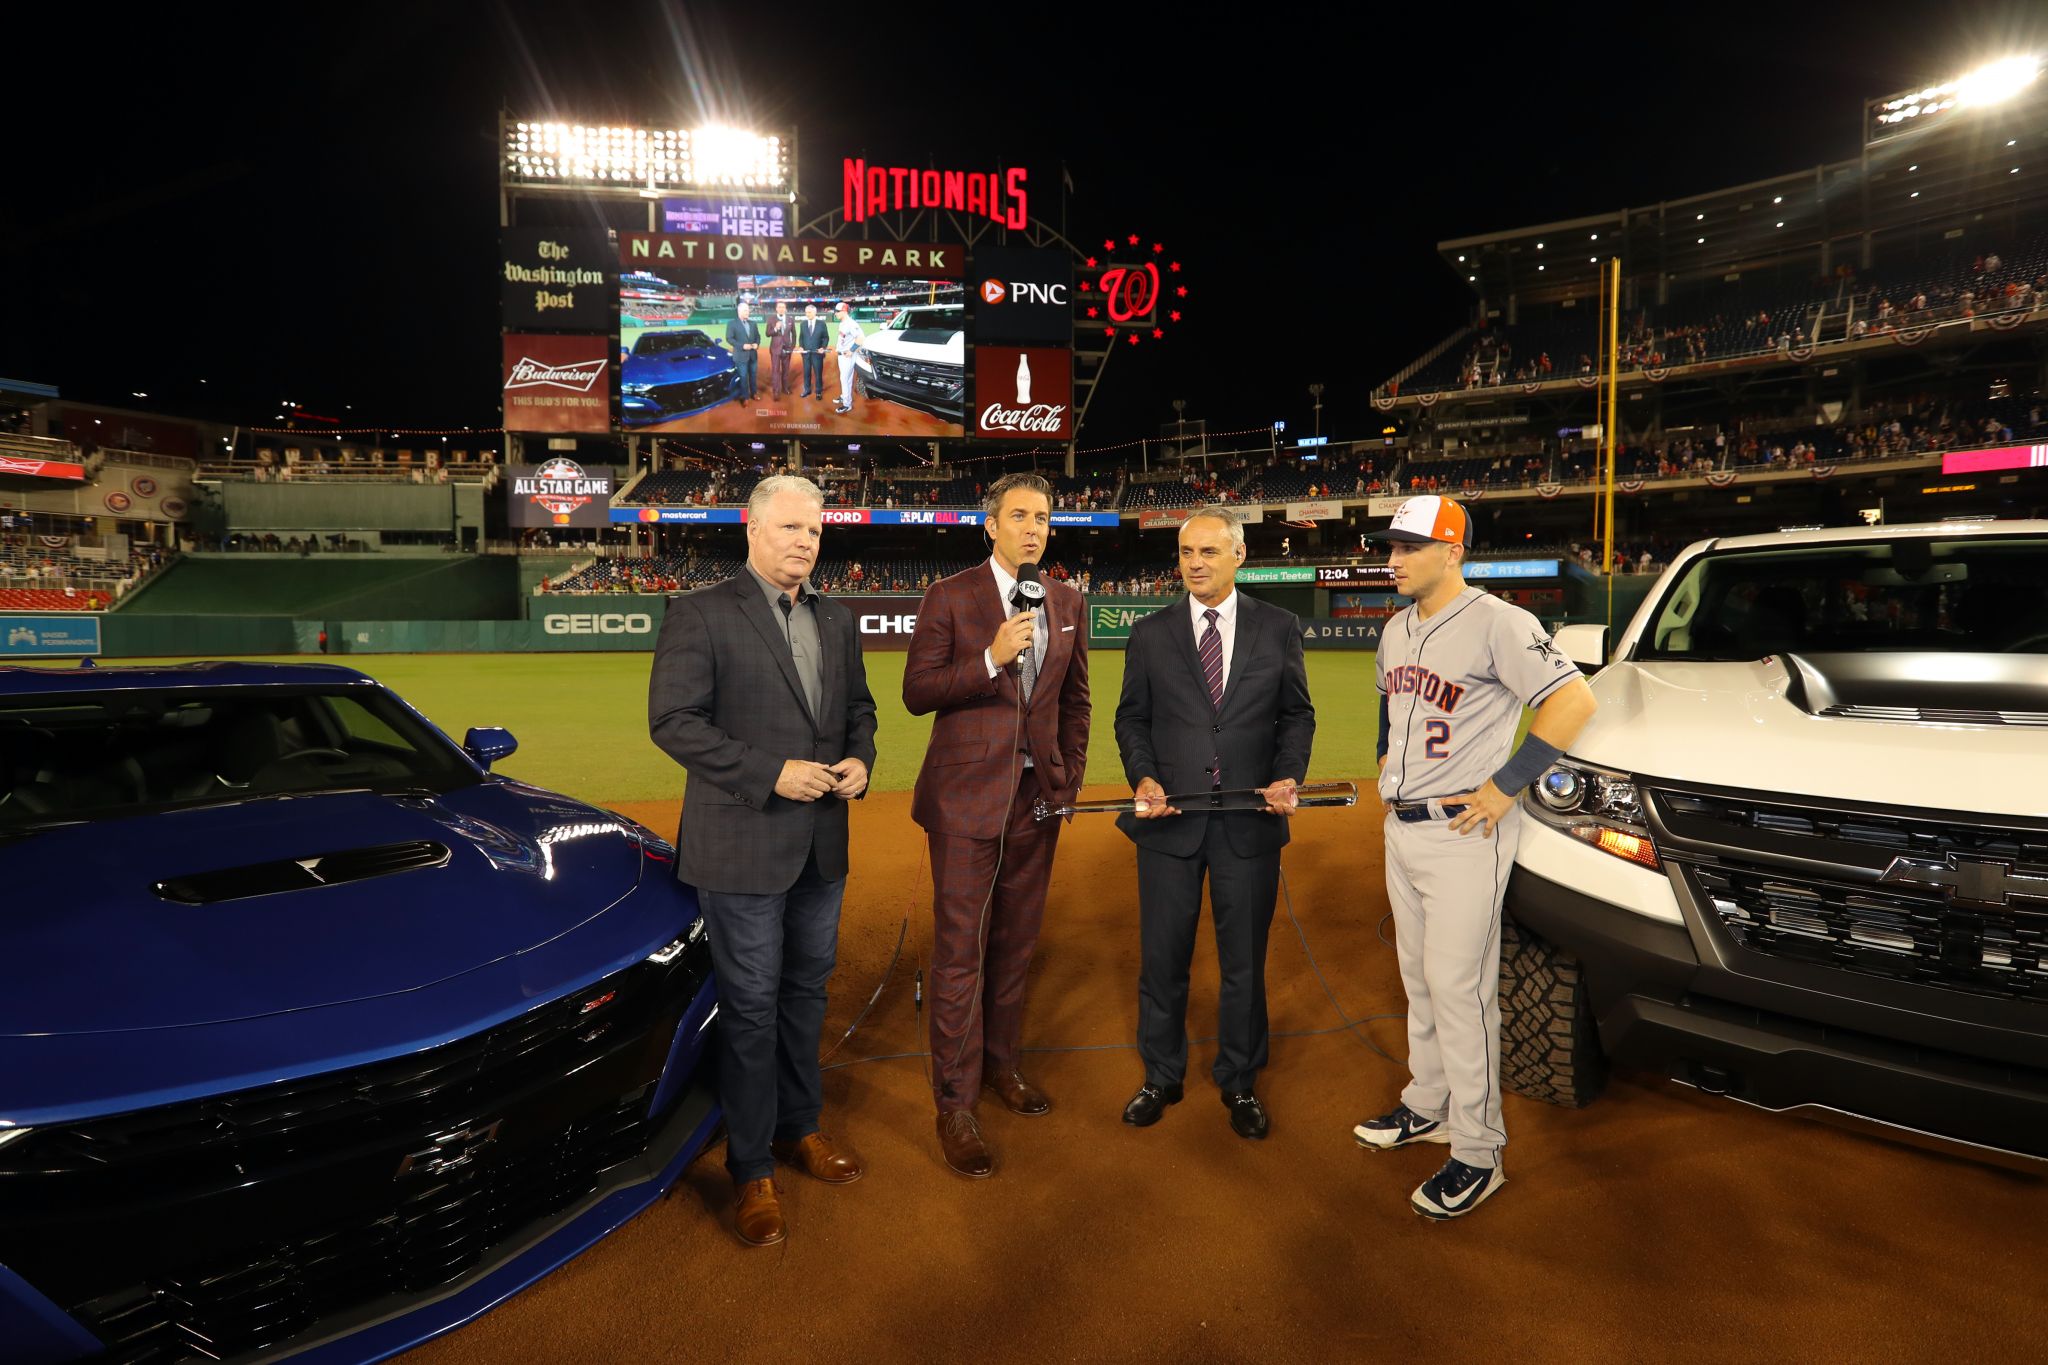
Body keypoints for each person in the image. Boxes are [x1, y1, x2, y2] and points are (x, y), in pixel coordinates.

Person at [647, 474, 879, 1247]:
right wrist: (768, 771)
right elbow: (673, 721)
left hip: (821, 844)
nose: (804, 542)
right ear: (751, 528)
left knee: (807, 994)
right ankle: (750, 1168)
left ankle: (797, 1126)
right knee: (748, 1008)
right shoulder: (701, 611)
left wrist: (860, 759)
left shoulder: (836, 619)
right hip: (742, 841)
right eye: (789, 528)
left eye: (814, 531)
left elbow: (860, 712)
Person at [1356, 495, 1597, 1221]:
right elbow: (1388, 711)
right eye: (1389, 546)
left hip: (1465, 831)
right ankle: (1426, 1103)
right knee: (1420, 980)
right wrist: (1381, 761)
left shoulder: (1500, 621)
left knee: (1459, 989)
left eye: (1407, 547)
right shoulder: (1396, 629)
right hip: (1404, 829)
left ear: (1452, 551)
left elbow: (1572, 701)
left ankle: (1478, 1150)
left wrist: (1504, 787)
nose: (1391, 559)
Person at [903, 472, 1090, 1178]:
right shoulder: (949, 595)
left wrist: (1067, 778)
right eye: (1019, 515)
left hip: (1036, 800)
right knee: (960, 953)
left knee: (1015, 946)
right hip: (963, 803)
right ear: (991, 525)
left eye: (1042, 516)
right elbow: (917, 691)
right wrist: (989, 659)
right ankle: (955, 1100)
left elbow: (1076, 703)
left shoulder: (1068, 600)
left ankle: (1001, 1065)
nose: (1033, 527)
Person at [1114, 505, 1315, 1139]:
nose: (1194, 564)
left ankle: (1239, 1079)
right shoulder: (1150, 634)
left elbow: (1296, 717)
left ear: (1238, 556)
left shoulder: (1279, 627)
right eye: (1184, 553)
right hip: (1169, 823)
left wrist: (1288, 776)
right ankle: (1161, 1074)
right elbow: (1132, 720)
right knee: (1163, 959)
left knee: (1243, 963)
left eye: (1207, 552)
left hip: (1248, 823)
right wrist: (1143, 778)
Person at [833, 301, 864, 415]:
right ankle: (844, 396)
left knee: (844, 380)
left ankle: (847, 404)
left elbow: (860, 338)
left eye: (837, 311)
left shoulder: (851, 323)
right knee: (846, 379)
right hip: (842, 355)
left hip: (847, 356)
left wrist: (851, 350)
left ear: (844, 311)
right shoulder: (842, 323)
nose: (835, 313)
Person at [728, 301, 760, 401]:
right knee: (743, 377)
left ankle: (754, 393)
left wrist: (757, 344)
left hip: (753, 355)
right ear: (739, 311)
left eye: (748, 310)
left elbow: (758, 337)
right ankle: (745, 397)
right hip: (740, 356)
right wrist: (742, 346)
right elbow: (729, 338)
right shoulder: (732, 324)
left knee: (753, 376)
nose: (748, 312)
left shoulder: (753, 323)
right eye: (746, 310)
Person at [798, 304, 829, 399]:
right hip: (806, 354)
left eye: (809, 312)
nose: (807, 314)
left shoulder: (822, 323)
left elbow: (826, 338)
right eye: (806, 312)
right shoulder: (803, 324)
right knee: (806, 373)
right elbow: (801, 338)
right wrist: (801, 347)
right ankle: (807, 390)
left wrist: (823, 347)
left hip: (817, 354)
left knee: (818, 373)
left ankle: (818, 391)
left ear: (815, 312)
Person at [768, 300, 796, 399]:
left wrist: (792, 347)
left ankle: (785, 388)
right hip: (775, 349)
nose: (781, 309)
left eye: (783, 307)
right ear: (776, 309)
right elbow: (767, 334)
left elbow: (794, 334)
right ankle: (776, 391)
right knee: (775, 371)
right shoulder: (771, 319)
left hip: (787, 349)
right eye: (779, 307)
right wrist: (775, 328)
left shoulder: (790, 319)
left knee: (786, 370)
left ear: (785, 309)